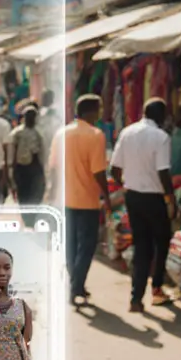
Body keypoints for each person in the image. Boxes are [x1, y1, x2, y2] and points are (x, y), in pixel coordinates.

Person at [111, 98, 178, 312]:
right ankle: (157, 288)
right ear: (161, 116)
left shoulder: (127, 133)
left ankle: (136, 298)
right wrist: (171, 199)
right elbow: (163, 172)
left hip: (133, 197)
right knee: (162, 241)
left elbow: (114, 169)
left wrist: (127, 184)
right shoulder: (161, 137)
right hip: (154, 198)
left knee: (141, 246)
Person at [57, 95, 110, 305]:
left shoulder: (61, 133)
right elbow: (99, 172)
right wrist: (107, 195)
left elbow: (53, 167)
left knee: (70, 245)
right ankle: (76, 286)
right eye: (99, 109)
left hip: (66, 199)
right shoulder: (96, 135)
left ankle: (75, 284)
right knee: (86, 247)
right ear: (92, 111)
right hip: (87, 201)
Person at [8, 107, 46, 222]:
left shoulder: (39, 133)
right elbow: (12, 153)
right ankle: (27, 220)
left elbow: (43, 153)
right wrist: (11, 171)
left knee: (36, 195)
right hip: (21, 169)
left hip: (35, 168)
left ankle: (32, 218)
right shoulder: (17, 133)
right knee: (23, 196)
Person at [37, 89, 64, 161]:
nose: (43, 99)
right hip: (44, 142)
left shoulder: (56, 111)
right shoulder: (39, 112)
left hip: (53, 141)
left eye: (46, 97)